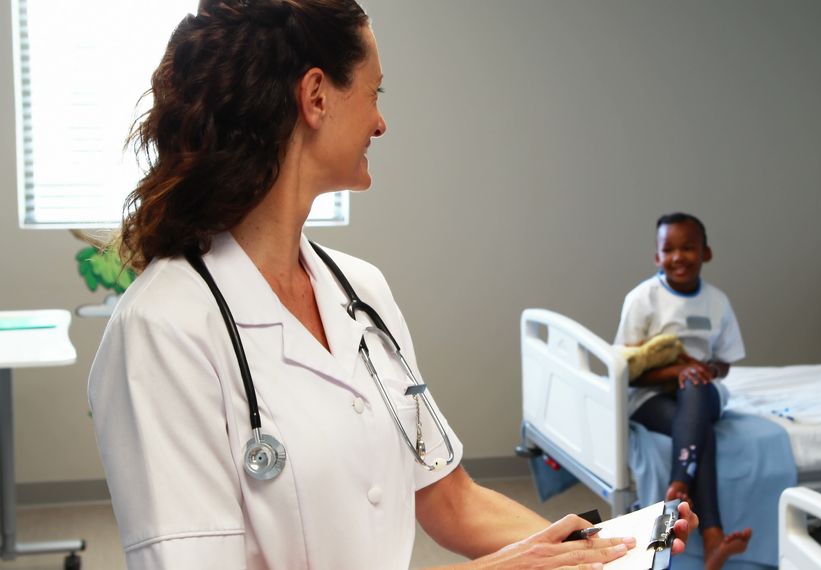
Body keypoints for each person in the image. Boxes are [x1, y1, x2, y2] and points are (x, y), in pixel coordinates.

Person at [87, 2, 696, 568]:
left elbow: (450, 500)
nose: (381, 121)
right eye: (375, 92)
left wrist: (612, 550)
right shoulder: (162, 328)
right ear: (316, 96)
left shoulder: (360, 290)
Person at [613, 212, 752, 569]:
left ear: (706, 253)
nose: (678, 257)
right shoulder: (643, 299)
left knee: (696, 391)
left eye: (688, 248)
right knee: (698, 428)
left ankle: (679, 481)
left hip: (702, 393)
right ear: (657, 257)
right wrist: (678, 369)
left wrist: (708, 369)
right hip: (650, 397)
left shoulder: (717, 301)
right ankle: (713, 539)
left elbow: (726, 362)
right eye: (669, 249)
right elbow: (626, 370)